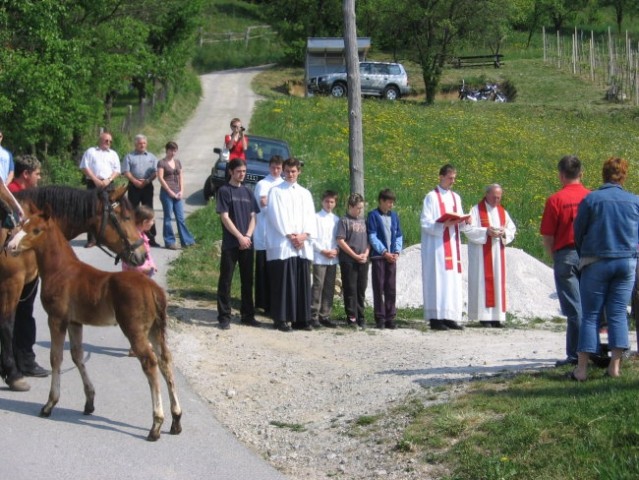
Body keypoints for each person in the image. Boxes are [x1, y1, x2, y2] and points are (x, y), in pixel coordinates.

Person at [571, 157, 639, 381]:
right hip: (626, 262)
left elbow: (578, 231)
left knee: (590, 314)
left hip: (597, 260)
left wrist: (584, 253)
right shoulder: (634, 201)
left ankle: (581, 369)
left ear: (604, 174)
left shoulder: (592, 199)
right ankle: (615, 367)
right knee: (619, 313)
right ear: (624, 176)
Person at [540, 155, 590, 367]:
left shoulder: (555, 200)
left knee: (574, 309)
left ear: (561, 175)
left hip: (565, 253)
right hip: (590, 255)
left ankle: (576, 356)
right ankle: (588, 350)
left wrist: (554, 256)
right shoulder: (591, 197)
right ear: (581, 174)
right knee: (588, 306)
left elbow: (548, 235)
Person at [7, 154, 48, 377]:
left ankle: (24, 357)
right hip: (15, 265)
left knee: (25, 312)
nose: (39, 178)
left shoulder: (30, 197)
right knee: (16, 313)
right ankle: (18, 358)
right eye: (37, 174)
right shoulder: (12, 195)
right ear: (26, 174)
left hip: (28, 264)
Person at [265, 157, 316, 332]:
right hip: (284, 243)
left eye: (294, 171)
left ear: (299, 172)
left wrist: (304, 235)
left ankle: (301, 319)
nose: (290, 174)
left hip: (301, 245)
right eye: (287, 171)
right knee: (284, 282)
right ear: (283, 171)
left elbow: (310, 217)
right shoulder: (276, 191)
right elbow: (275, 215)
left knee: (301, 282)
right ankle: (281, 318)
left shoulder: (305, 193)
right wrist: (290, 235)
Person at [420, 164, 470, 331]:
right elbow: (425, 223)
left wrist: (464, 221)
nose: (452, 181)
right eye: (450, 178)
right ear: (441, 177)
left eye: (454, 178)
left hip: (453, 244)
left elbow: (460, 223)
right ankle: (436, 318)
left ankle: (450, 316)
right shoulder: (431, 197)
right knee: (438, 279)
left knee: (452, 281)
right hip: (437, 247)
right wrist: (443, 225)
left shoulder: (456, 197)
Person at [215, 159, 261, 330]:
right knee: (225, 280)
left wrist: (247, 236)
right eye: (239, 171)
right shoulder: (224, 191)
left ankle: (248, 315)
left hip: (247, 242)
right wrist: (239, 237)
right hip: (231, 243)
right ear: (231, 172)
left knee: (247, 280)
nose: (242, 174)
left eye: (244, 171)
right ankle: (224, 316)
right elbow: (225, 217)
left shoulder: (248, 192)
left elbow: (254, 217)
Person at [465, 184, 517, 328]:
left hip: (497, 254)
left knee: (498, 283)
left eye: (499, 197)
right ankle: (484, 317)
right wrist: (485, 232)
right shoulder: (476, 210)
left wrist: (503, 232)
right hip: (482, 255)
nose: (496, 200)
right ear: (487, 194)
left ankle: (497, 317)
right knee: (482, 282)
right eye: (494, 197)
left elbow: (511, 229)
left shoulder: (502, 212)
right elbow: (468, 229)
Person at [367, 189, 403, 329]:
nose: (391, 205)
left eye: (393, 202)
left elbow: (399, 235)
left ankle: (390, 317)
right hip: (379, 257)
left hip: (392, 258)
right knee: (379, 287)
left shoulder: (394, 216)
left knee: (390, 287)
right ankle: (380, 317)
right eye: (389, 202)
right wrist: (384, 252)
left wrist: (396, 252)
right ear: (381, 201)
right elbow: (372, 236)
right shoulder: (373, 215)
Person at [253, 155, 284, 314]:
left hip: (279, 236)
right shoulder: (262, 184)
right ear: (269, 167)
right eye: (273, 167)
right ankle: (262, 302)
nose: (276, 170)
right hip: (263, 233)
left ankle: (274, 302)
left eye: (279, 168)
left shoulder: (284, 184)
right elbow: (263, 204)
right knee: (263, 270)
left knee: (275, 270)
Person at [79, 131, 120, 248]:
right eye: (106, 140)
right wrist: (95, 179)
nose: (108, 143)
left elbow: (117, 170)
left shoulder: (113, 154)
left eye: (110, 141)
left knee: (110, 210)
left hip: (109, 184)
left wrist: (109, 179)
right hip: (93, 183)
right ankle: (92, 239)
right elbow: (84, 167)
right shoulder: (91, 152)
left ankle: (106, 238)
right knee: (92, 211)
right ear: (100, 139)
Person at [337, 193, 370, 328]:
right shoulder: (344, 221)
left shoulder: (364, 221)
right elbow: (340, 240)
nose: (360, 210)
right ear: (350, 206)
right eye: (358, 208)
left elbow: (369, 241)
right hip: (349, 260)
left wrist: (366, 254)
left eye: (362, 208)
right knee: (350, 289)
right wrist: (354, 255)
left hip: (363, 260)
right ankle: (351, 317)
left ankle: (361, 316)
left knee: (361, 289)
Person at [122, 134, 159, 246]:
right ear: (135, 144)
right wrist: (135, 181)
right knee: (132, 211)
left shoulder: (152, 157)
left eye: (143, 143)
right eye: (139, 143)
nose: (142, 145)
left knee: (148, 211)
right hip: (134, 186)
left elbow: (155, 172)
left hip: (147, 186)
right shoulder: (129, 156)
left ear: (146, 144)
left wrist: (147, 181)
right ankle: (132, 237)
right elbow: (126, 172)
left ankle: (151, 238)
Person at [157, 141, 196, 250]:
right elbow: (160, 178)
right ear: (167, 150)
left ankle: (187, 241)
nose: (173, 153)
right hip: (166, 193)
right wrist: (169, 191)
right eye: (171, 150)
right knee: (168, 217)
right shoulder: (162, 162)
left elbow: (181, 177)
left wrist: (181, 191)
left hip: (177, 193)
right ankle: (169, 242)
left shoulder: (178, 162)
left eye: (175, 151)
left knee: (180, 218)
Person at [311, 190, 339, 329]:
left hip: (332, 258)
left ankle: (325, 315)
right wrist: (323, 250)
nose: (329, 204)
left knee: (329, 287)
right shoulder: (316, 217)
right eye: (327, 201)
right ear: (322, 202)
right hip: (320, 256)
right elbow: (312, 238)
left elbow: (339, 239)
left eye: (332, 202)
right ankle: (313, 315)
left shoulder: (336, 219)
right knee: (318, 286)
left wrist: (335, 250)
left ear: (335, 203)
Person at [122, 205, 158, 278]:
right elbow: (130, 260)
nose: (153, 223)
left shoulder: (142, 235)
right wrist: (144, 269)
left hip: (143, 274)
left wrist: (152, 264)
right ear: (145, 222)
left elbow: (147, 254)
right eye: (152, 220)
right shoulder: (134, 239)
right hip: (133, 277)